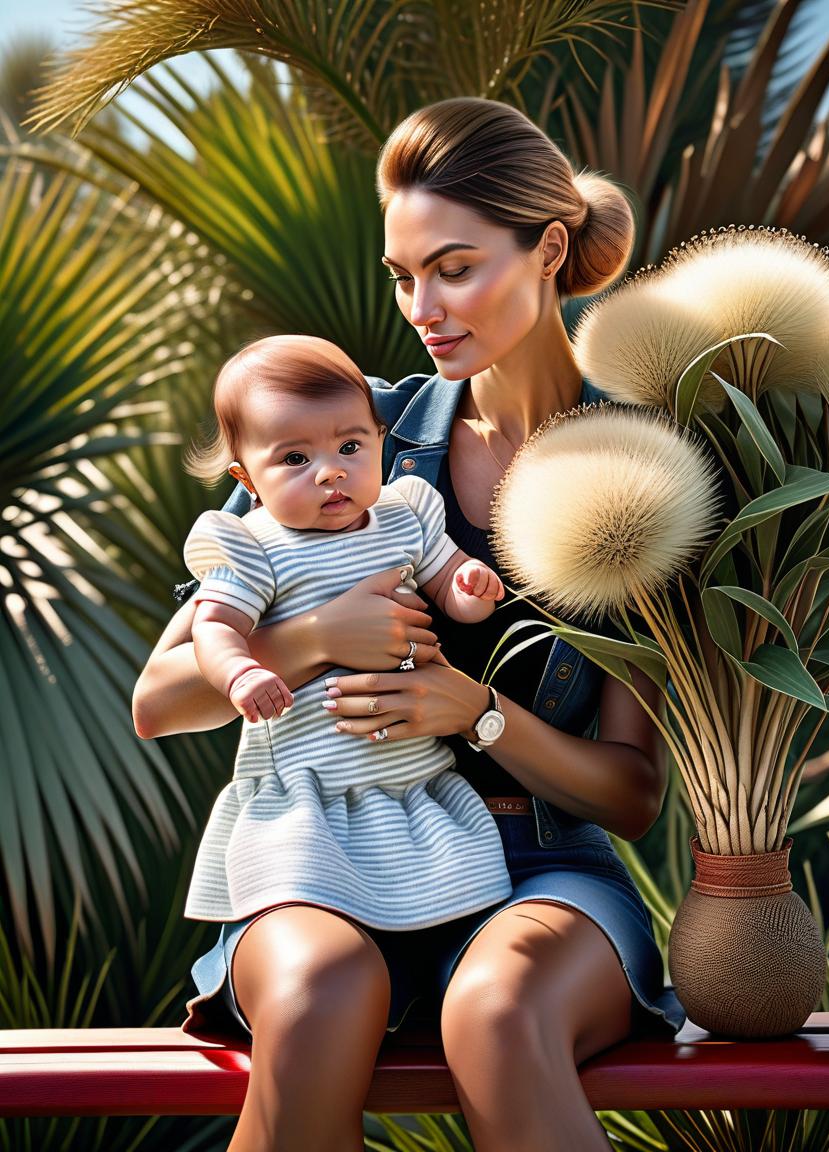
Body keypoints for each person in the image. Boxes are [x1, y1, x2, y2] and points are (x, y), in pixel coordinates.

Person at [133, 97, 685, 1152]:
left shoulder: (642, 472)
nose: (421, 305)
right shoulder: (342, 442)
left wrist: (475, 715)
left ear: (548, 250)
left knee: (502, 1014)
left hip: (545, 869)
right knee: (312, 1003)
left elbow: (631, 795)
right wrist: (310, 639)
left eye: (453, 266)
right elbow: (160, 701)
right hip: (324, 859)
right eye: (402, 276)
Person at [180, 332, 511, 934]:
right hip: (306, 788)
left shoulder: (404, 516)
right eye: (294, 459)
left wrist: (469, 588)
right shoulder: (255, 546)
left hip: (411, 774)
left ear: (380, 443)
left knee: (450, 907)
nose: (330, 472)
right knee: (315, 905)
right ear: (247, 479)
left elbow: (445, 586)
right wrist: (242, 671)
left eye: (350, 446)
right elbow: (215, 626)